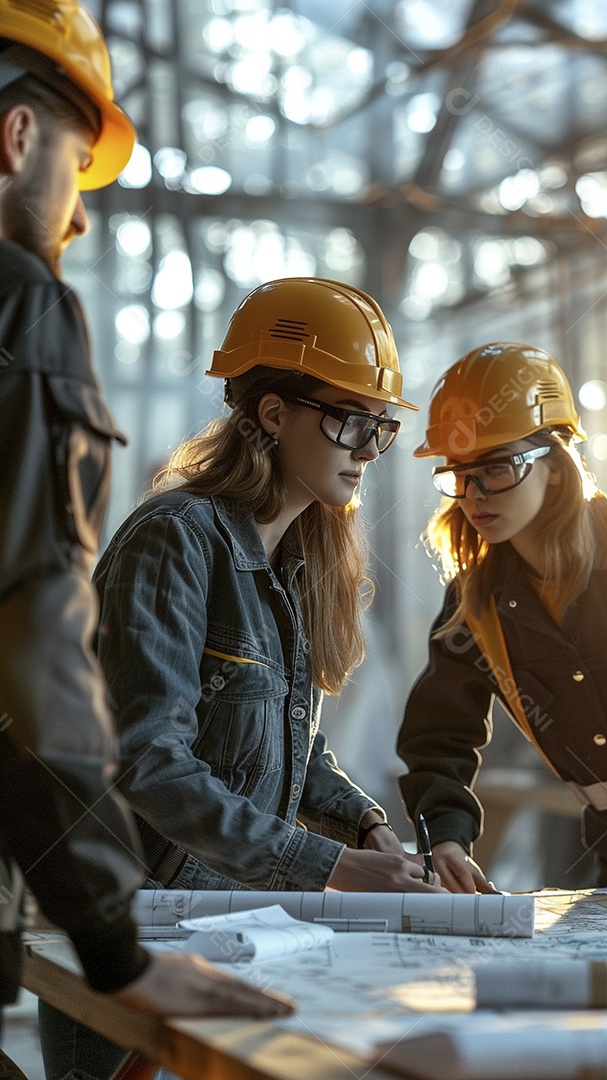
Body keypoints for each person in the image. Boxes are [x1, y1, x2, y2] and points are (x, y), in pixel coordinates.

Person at [38, 277, 444, 1079]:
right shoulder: (177, 539)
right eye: (349, 420)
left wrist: (363, 826)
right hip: (143, 932)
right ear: (271, 412)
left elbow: (293, 740)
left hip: (243, 924)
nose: (366, 448)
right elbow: (147, 757)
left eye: (379, 427)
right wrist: (325, 866)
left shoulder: (292, 561)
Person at [0, 0, 293, 1038]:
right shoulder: (23, 305)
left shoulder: (290, 565)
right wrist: (115, 941)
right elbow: (33, 658)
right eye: (78, 174)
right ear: (19, 136)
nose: (78, 218)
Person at [396, 341, 607, 894]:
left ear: (556, 464)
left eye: (495, 470)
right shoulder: (474, 606)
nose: (472, 496)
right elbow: (438, 740)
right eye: (459, 475)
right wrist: (446, 837)